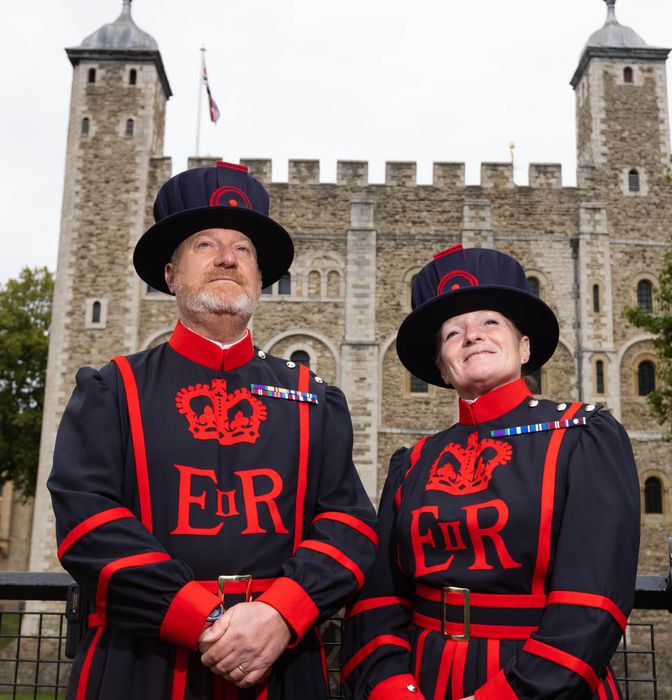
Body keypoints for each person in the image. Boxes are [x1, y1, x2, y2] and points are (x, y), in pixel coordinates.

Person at [49, 161, 377, 699]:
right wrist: (206, 621)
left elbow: (349, 523)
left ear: (260, 277)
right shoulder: (112, 389)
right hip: (145, 662)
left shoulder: (315, 397)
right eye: (205, 244)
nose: (228, 257)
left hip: (282, 659)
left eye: (243, 248)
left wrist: (280, 612)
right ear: (172, 274)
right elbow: (88, 524)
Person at [341, 246, 640, 699]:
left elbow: (592, 603)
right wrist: (392, 689)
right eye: (452, 332)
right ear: (442, 366)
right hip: (421, 682)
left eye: (490, 322)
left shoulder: (584, 437)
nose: (471, 336)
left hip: (540, 682)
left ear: (524, 347)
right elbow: (379, 599)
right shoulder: (413, 462)